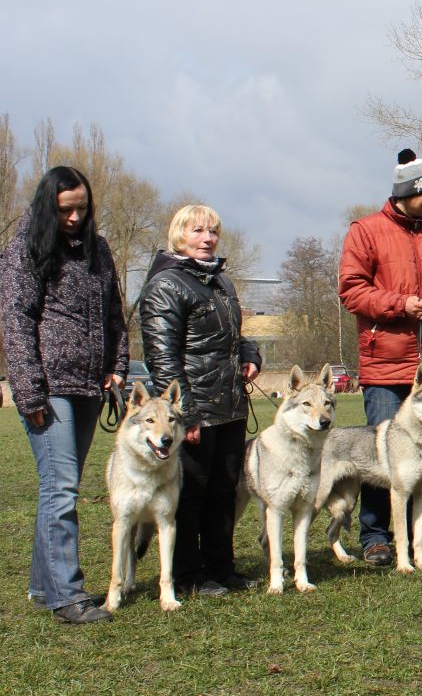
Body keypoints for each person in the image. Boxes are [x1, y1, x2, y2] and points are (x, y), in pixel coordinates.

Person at [0, 166, 128, 624]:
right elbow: (16, 323)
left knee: (57, 487)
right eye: (65, 209)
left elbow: (115, 313)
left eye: (82, 208)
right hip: (49, 387)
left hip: (91, 386)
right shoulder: (23, 251)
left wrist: (117, 368)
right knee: (62, 489)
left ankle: (42, 585)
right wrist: (30, 393)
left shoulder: (99, 250)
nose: (75, 217)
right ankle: (67, 596)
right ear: (47, 207)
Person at [339, 148, 422, 566]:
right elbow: (351, 291)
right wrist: (399, 304)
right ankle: (376, 537)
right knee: (381, 455)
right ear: (409, 192)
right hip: (384, 364)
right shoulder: (365, 230)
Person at [140, 205, 262, 595]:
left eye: (212, 232)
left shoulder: (222, 281)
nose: (207, 238)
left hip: (229, 405)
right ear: (179, 235)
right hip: (193, 409)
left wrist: (250, 356)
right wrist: (184, 415)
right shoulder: (166, 284)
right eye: (198, 231)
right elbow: (162, 357)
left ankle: (221, 568)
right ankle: (187, 575)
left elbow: (234, 336)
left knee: (224, 490)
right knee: (191, 493)